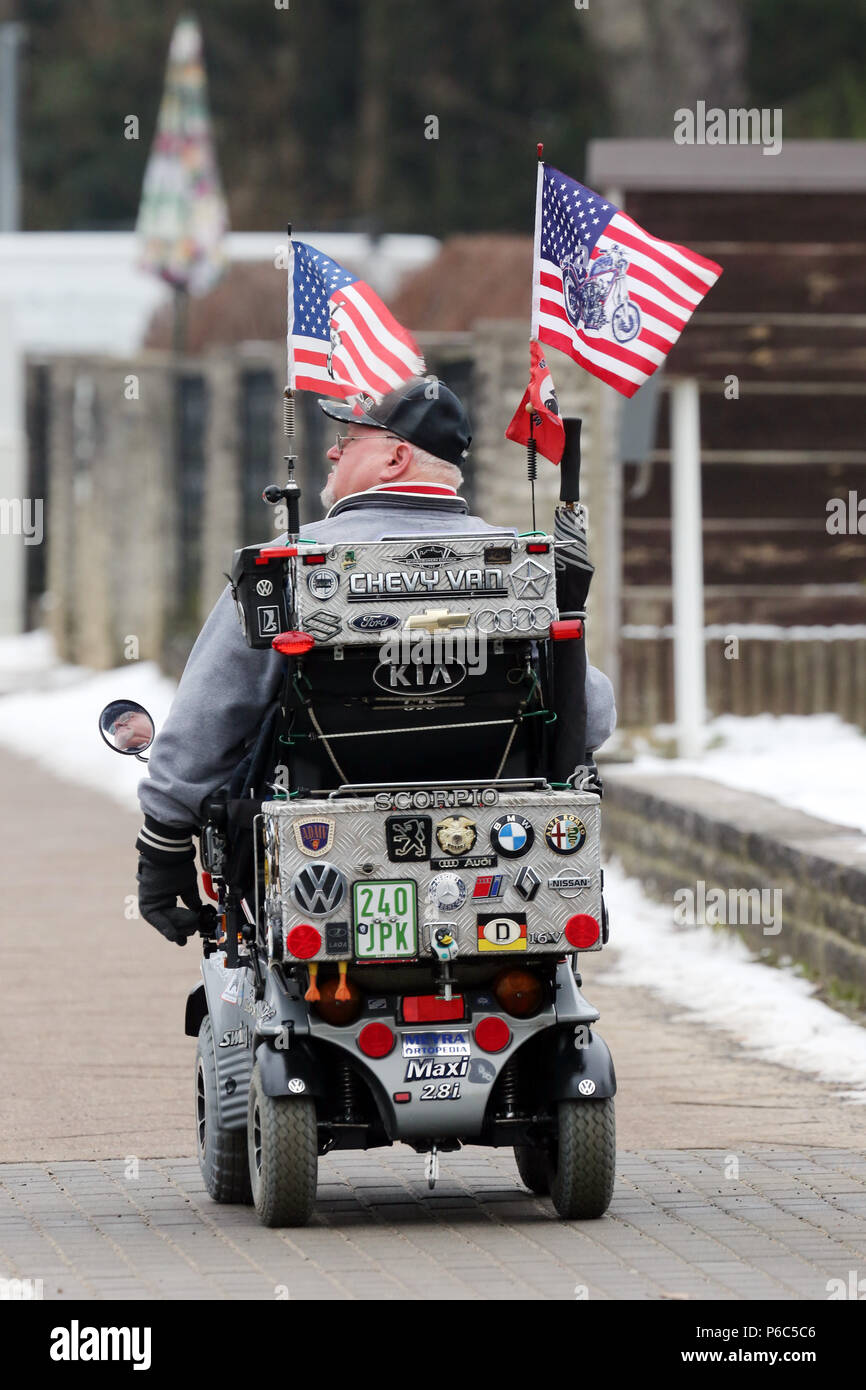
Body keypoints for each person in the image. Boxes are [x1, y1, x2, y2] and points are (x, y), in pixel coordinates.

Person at [135, 377, 617, 945]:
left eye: (350, 438)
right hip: (501, 862)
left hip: (315, 866)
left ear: (396, 457)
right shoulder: (519, 564)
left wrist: (163, 847)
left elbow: (208, 719)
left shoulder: (289, 566)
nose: (333, 450)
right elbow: (595, 714)